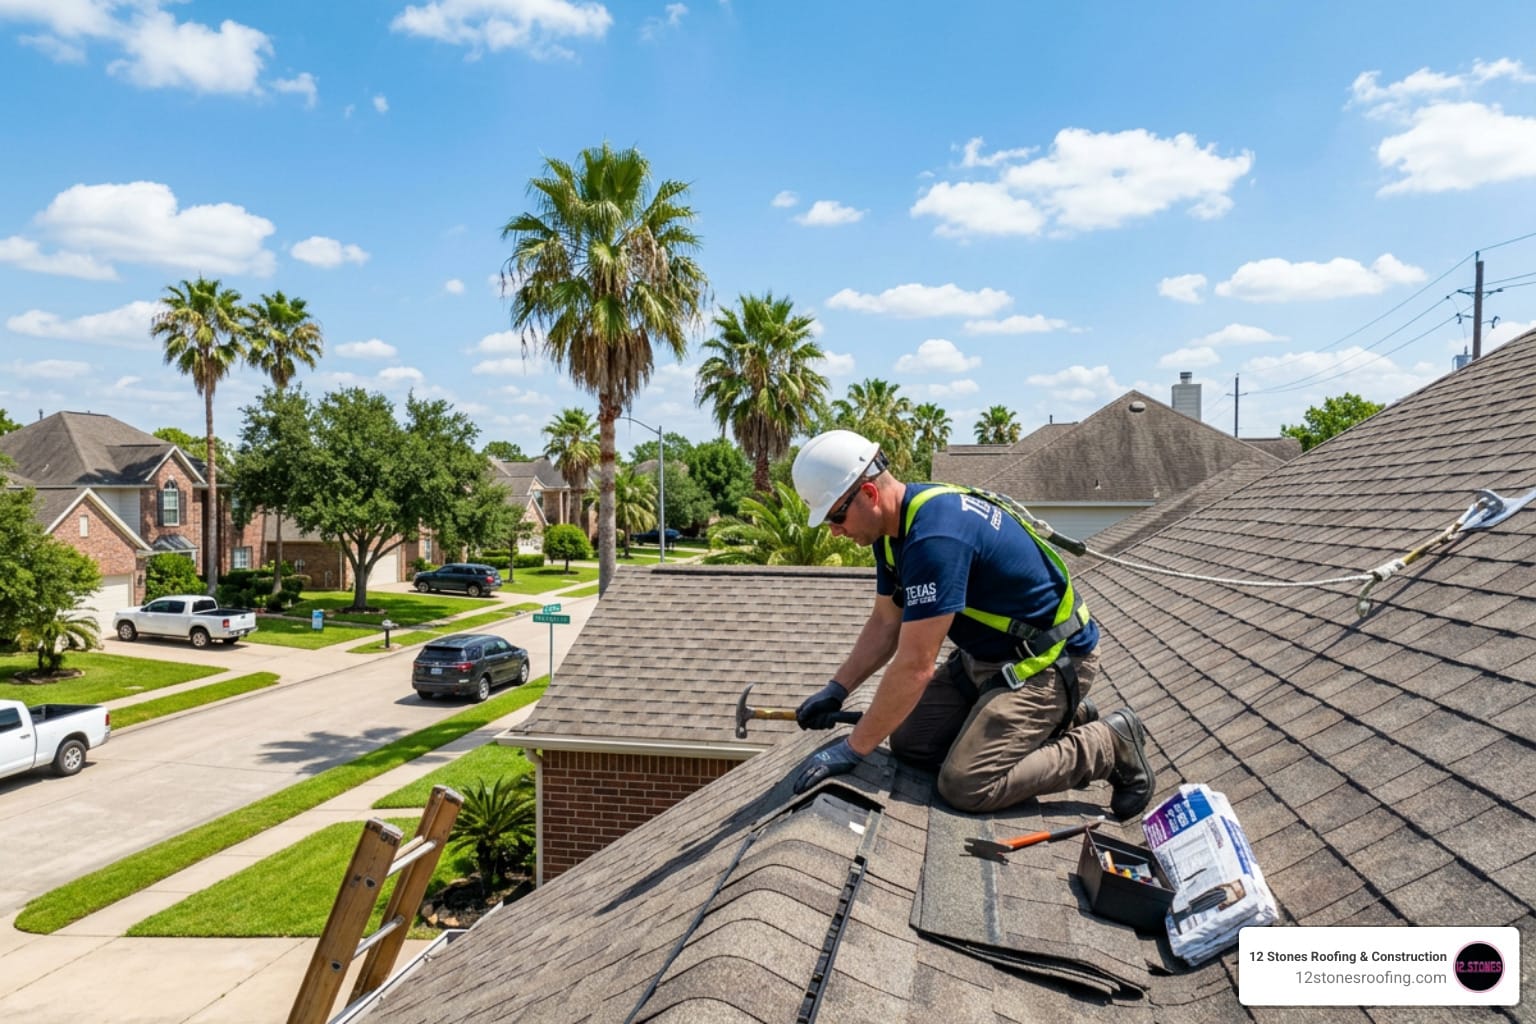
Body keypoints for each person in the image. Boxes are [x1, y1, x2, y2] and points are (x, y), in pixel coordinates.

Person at [788, 429, 1155, 820]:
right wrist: (838, 689)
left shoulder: (935, 537)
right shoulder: (895, 530)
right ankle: (1060, 720)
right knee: (911, 743)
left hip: (1047, 662)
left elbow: (915, 667)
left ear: (869, 494)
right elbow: (885, 622)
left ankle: (1107, 744)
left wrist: (852, 749)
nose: (835, 530)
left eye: (836, 516)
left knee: (966, 785)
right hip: (986, 659)